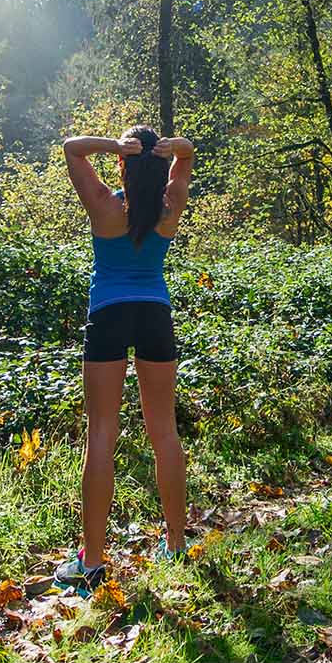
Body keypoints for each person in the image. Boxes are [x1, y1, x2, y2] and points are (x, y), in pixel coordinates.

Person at [52, 125, 193, 594]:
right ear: (160, 165)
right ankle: (175, 546)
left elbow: (72, 150)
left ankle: (91, 563)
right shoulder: (168, 209)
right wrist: (174, 151)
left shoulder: (106, 207)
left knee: (102, 435)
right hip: (154, 315)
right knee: (165, 431)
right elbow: (187, 158)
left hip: (109, 316)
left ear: (121, 165)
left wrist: (113, 145)